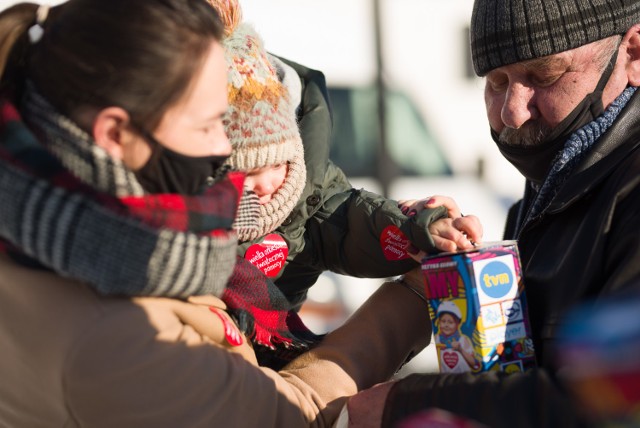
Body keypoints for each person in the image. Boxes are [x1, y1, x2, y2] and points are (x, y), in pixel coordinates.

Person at [0, 1, 435, 426]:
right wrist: (419, 296)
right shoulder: (119, 330)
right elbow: (294, 414)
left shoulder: (57, 237)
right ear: (115, 134)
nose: (224, 148)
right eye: (207, 125)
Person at [342, 0, 640, 426]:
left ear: (632, 54)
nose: (512, 112)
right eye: (497, 81)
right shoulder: (547, 193)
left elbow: (613, 401)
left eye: (543, 75)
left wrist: (404, 404)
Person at [208, 0, 483, 315]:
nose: (266, 183)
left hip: (269, 346)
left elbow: (352, 220)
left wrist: (417, 229)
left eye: (276, 164)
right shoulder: (183, 214)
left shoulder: (305, 195)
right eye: (246, 171)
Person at [433, 301, 480, 374]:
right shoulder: (436, 339)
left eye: (450, 322)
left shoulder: (463, 340)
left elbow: (475, 365)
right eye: (443, 321)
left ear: (457, 324)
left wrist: (460, 350)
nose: (446, 325)